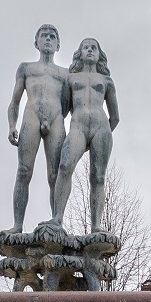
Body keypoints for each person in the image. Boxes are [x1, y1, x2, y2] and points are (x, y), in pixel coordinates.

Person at [49, 38, 119, 232]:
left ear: (99, 55)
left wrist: (100, 137)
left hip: (101, 129)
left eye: (93, 48)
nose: (89, 50)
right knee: (65, 166)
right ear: (79, 53)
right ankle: (57, 218)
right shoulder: (71, 79)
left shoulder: (106, 81)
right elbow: (63, 110)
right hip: (77, 127)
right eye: (85, 47)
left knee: (97, 177)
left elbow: (115, 117)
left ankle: (96, 226)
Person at [6, 24, 68, 233]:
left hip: (56, 119)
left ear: (58, 45)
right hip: (31, 116)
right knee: (24, 171)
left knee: (55, 175)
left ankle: (56, 222)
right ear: (36, 42)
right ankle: (17, 225)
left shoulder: (65, 73)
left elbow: (71, 103)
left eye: (52, 36)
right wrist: (11, 125)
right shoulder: (26, 68)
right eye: (44, 35)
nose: (48, 39)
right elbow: (15, 101)